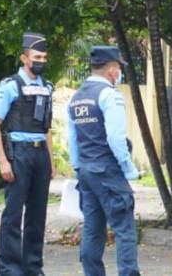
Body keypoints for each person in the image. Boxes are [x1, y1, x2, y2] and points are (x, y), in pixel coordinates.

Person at [67, 45, 141, 276]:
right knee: (125, 230)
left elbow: (73, 139)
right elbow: (116, 138)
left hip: (87, 172)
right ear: (111, 69)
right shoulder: (109, 95)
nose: (119, 72)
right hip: (107, 171)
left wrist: (78, 168)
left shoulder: (76, 97)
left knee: (93, 229)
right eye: (119, 68)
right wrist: (129, 169)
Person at [0, 31, 55, 276]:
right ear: (24, 58)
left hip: (40, 156)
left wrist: (51, 160)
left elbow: (47, 127)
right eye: (37, 56)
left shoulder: (47, 87)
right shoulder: (10, 86)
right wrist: (3, 161)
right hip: (19, 154)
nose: (41, 61)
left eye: (44, 57)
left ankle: (32, 268)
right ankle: (9, 270)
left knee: (37, 217)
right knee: (13, 216)